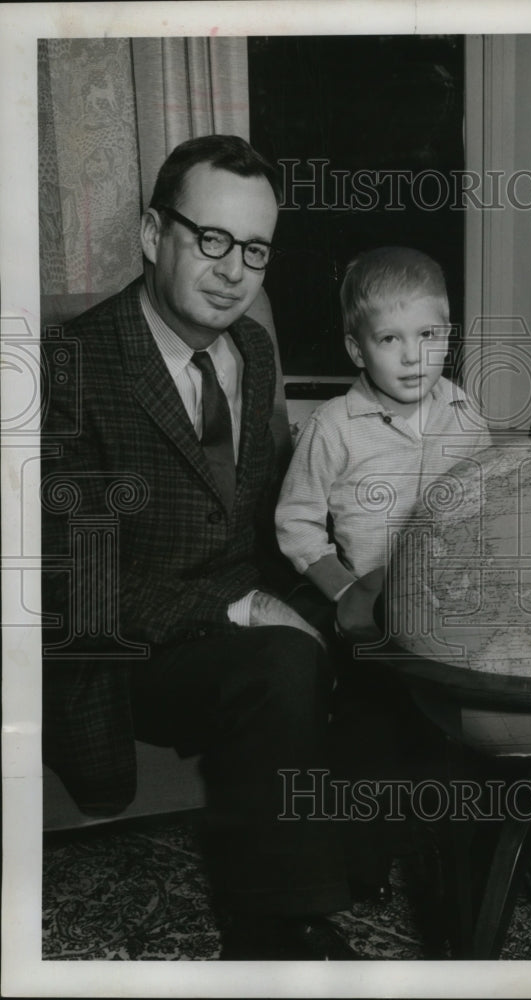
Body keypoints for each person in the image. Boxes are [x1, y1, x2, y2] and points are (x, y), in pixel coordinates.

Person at [40, 134, 359, 961]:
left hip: (239, 591)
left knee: (393, 615)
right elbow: (75, 582)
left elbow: (265, 508)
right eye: (209, 239)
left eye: (253, 249)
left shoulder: (251, 345)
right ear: (153, 235)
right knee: (280, 664)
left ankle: (413, 851)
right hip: (128, 644)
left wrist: (342, 575)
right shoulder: (67, 366)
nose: (232, 271)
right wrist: (236, 607)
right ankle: (271, 933)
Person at [275, 246, 531, 933]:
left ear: (449, 336)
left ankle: (515, 855)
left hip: (453, 619)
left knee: (493, 738)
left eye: (431, 335)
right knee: (368, 741)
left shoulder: (462, 410)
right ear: (356, 349)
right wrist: (343, 592)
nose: (414, 357)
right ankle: (359, 865)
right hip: (375, 625)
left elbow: (480, 504)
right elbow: (296, 526)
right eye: (390, 339)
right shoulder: (333, 427)